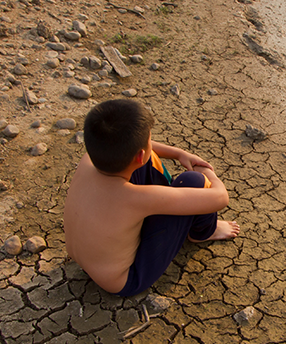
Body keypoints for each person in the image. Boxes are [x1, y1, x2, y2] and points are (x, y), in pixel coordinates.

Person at [64, 99, 240, 297]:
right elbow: (220, 198)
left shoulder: (89, 159)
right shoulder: (135, 199)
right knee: (194, 180)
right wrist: (207, 172)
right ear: (139, 154)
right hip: (127, 279)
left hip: (88, 260)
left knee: (144, 160)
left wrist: (179, 154)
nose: (151, 143)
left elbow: (138, 149)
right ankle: (203, 232)